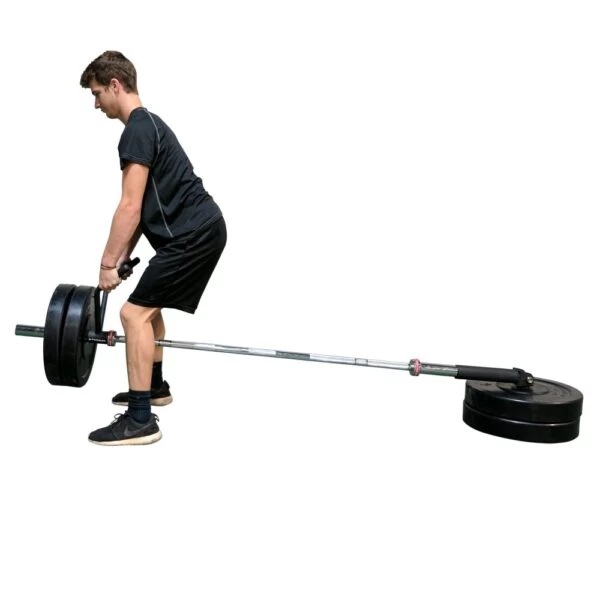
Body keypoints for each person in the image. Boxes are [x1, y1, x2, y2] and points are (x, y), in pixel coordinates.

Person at [79, 50, 227, 446]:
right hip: (198, 232)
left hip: (192, 236)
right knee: (150, 306)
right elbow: (144, 212)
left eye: (96, 93)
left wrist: (106, 265)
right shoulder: (149, 126)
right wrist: (120, 257)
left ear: (115, 85)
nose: (96, 104)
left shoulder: (137, 129)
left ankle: (140, 419)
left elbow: (129, 206)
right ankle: (155, 386)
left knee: (134, 314)